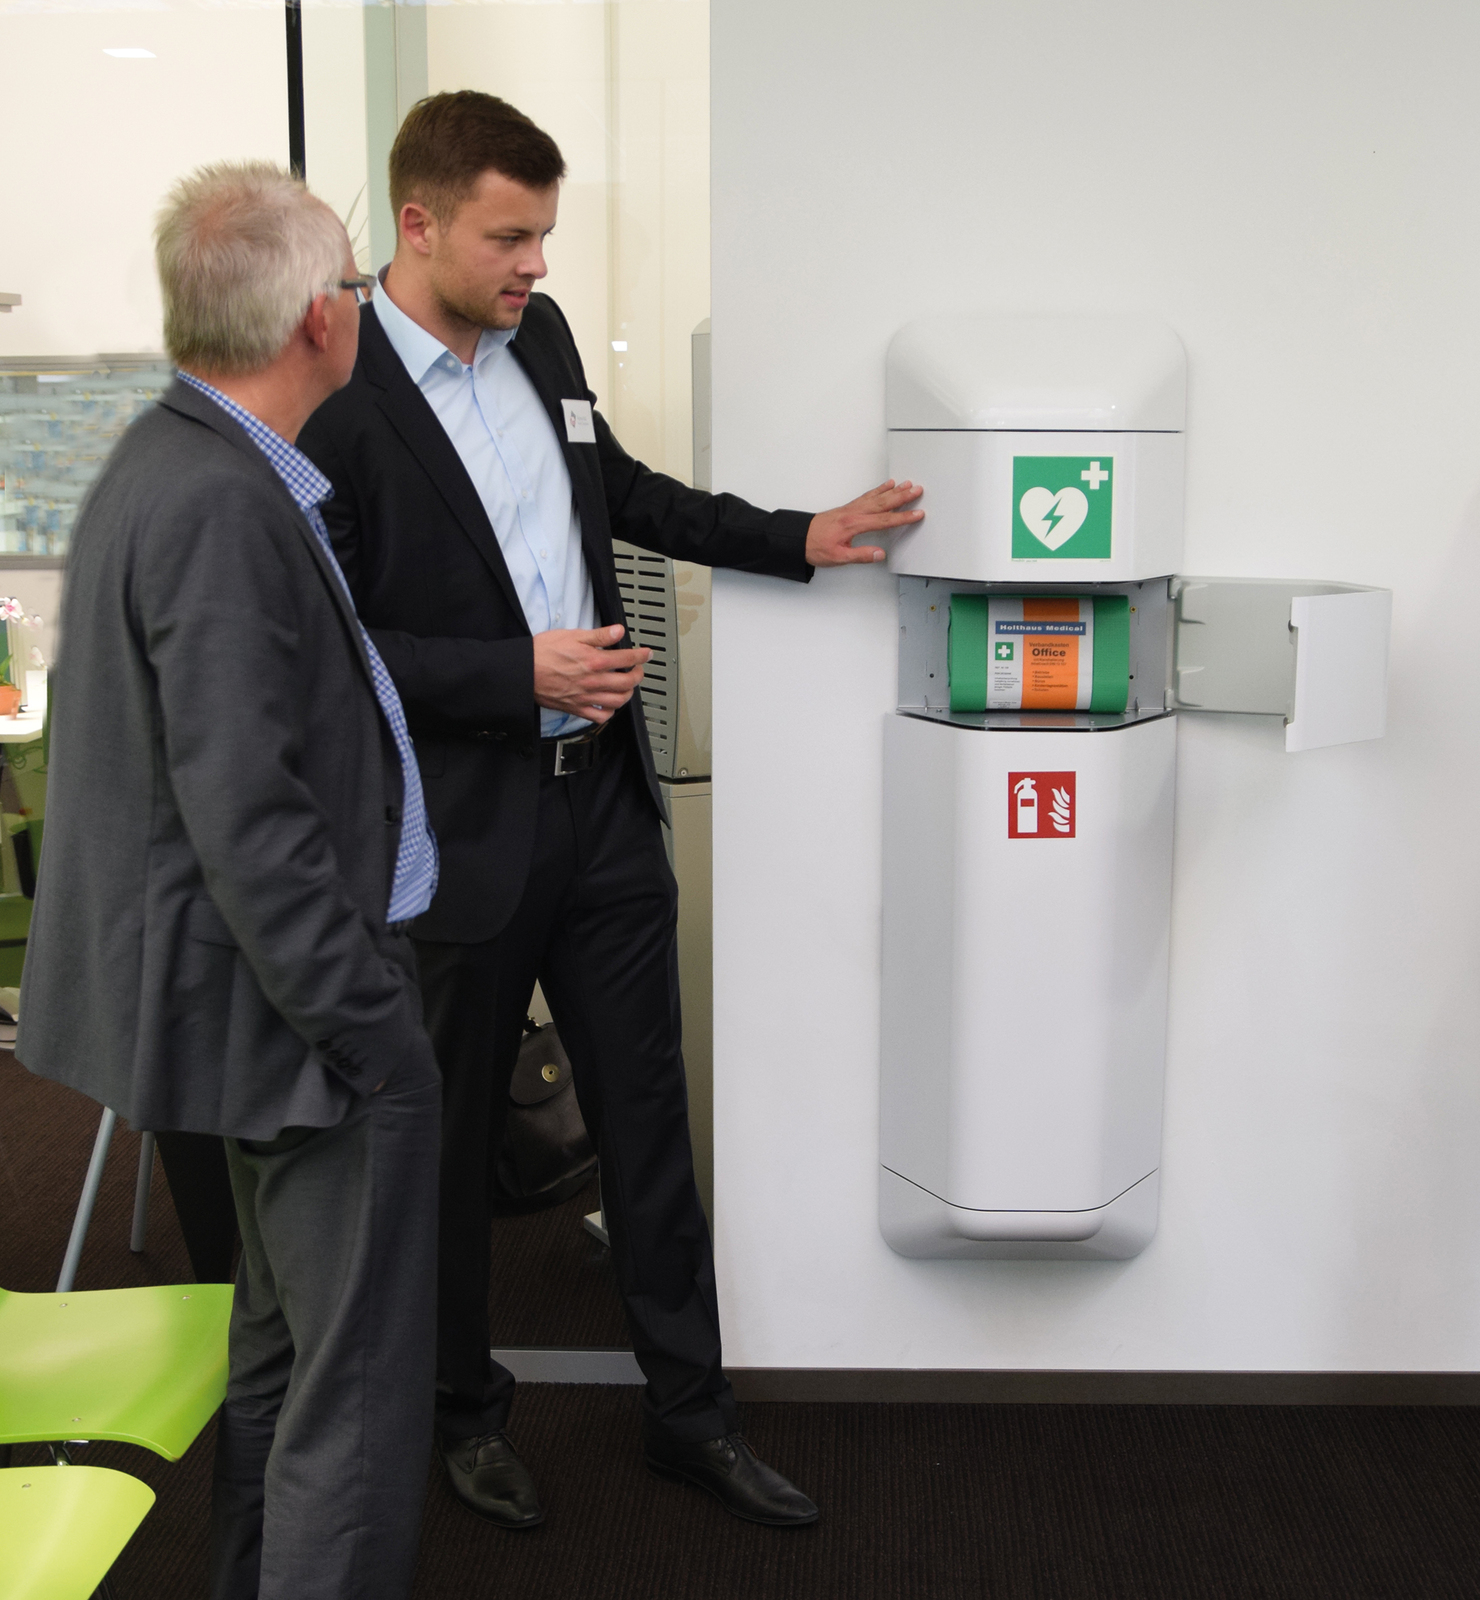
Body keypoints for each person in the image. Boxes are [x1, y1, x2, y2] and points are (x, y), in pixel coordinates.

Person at [298, 91, 922, 1531]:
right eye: (508, 238)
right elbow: (326, 641)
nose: (536, 264)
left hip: (604, 817)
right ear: (418, 224)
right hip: (458, 838)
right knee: (446, 1153)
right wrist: (510, 675)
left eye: (544, 236)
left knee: (648, 1126)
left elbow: (618, 489)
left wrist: (798, 537)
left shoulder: (545, 337)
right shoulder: (332, 386)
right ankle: (463, 1415)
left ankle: (690, 1417)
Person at [16, 162, 443, 1600]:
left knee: (279, 1347)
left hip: (243, 1014)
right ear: (320, 318)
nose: (366, 308)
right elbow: (250, 818)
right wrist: (372, 1032)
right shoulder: (220, 501)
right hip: (294, 1026)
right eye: (358, 286)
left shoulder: (174, 460)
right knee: (353, 1395)